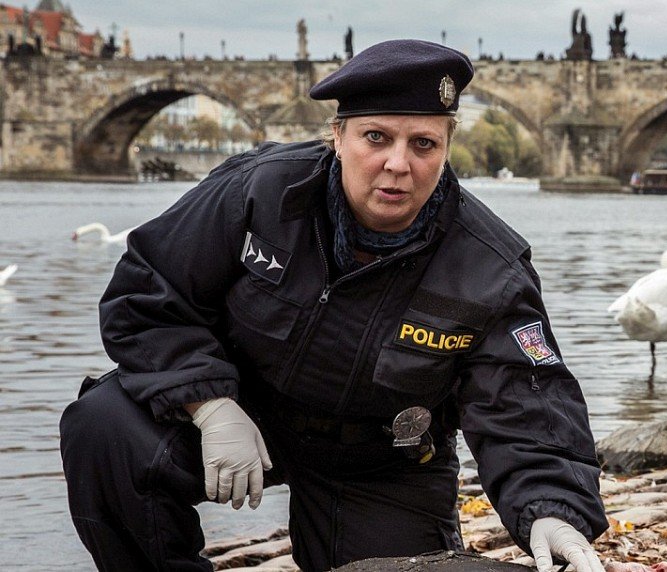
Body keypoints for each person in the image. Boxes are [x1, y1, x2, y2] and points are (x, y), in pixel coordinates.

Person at [60, 39, 610, 572]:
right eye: (377, 137)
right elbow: (147, 291)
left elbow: (525, 399)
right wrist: (207, 404)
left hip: (382, 459)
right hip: (245, 414)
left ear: (447, 148)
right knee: (104, 425)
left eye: (424, 143)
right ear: (338, 137)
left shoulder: (491, 265)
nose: (398, 164)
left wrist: (554, 509)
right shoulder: (256, 192)